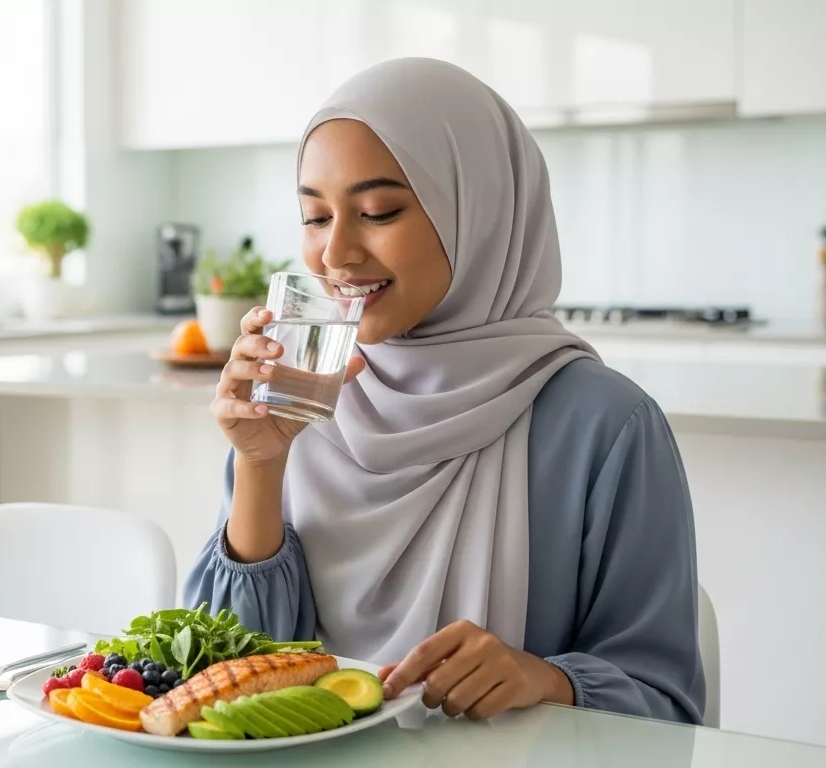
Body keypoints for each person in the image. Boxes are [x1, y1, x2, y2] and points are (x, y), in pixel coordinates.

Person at [185, 58, 705, 724]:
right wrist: (259, 465)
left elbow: (669, 708)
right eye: (315, 217)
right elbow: (219, 689)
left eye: (377, 212)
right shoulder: (300, 401)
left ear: (478, 212)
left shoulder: (603, 426)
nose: (335, 254)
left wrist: (544, 679)